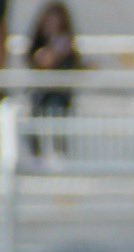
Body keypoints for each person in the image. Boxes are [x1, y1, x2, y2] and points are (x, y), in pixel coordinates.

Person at [25, 1, 81, 158]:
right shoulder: (38, 44)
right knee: (35, 115)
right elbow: (40, 61)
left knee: (57, 110)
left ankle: (60, 154)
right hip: (40, 94)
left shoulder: (67, 43)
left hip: (60, 94)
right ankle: (36, 155)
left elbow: (75, 64)